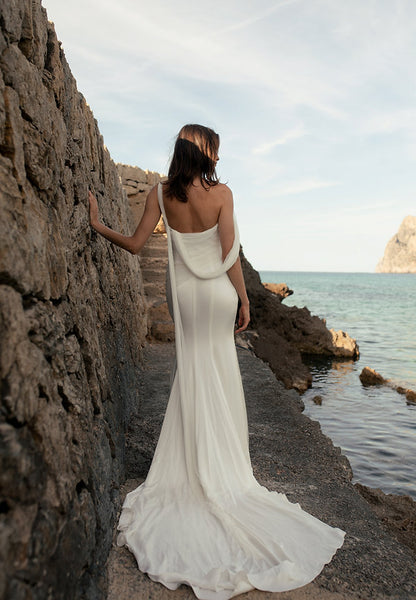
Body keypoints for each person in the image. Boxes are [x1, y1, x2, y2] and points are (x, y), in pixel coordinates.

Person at [89, 124, 346, 599]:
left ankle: (191, 465)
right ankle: (222, 469)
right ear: (206, 152)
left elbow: (133, 244)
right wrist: (244, 300)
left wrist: (97, 221)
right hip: (218, 295)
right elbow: (229, 254)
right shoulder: (223, 193)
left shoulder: (160, 194)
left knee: (192, 376)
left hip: (185, 295)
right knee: (221, 374)